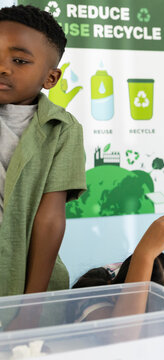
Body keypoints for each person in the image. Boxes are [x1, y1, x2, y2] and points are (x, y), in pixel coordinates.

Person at [0, 5, 86, 296]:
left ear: (50, 78)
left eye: (20, 60)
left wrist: (32, 305)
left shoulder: (62, 129)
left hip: (25, 282)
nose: (3, 66)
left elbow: (49, 221)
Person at [72, 200, 164, 344]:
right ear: (116, 299)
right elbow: (122, 340)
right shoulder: (94, 297)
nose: (160, 335)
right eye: (149, 323)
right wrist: (144, 253)